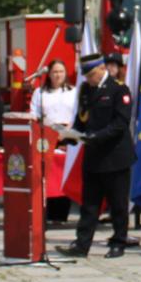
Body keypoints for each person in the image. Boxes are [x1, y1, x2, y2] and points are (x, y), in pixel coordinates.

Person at [58, 54, 136, 258]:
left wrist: (96, 136)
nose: (89, 79)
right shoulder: (86, 90)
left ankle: (119, 242)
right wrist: (71, 135)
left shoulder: (119, 89)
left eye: (92, 74)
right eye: (87, 76)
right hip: (93, 157)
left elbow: (120, 123)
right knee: (89, 205)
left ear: (102, 69)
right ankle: (81, 245)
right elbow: (81, 119)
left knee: (118, 204)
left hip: (115, 156)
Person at [29, 59, 79, 222]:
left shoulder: (73, 91)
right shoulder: (40, 93)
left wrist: (67, 130)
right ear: (48, 74)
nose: (58, 75)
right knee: (48, 173)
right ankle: (48, 212)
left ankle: (62, 213)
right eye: (55, 72)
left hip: (67, 135)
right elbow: (34, 114)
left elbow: (78, 113)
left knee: (64, 171)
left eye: (61, 72)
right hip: (47, 135)